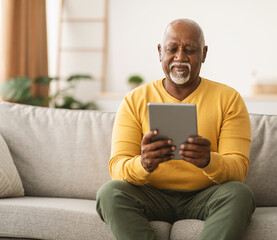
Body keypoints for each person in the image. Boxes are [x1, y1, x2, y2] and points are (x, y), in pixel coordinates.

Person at [96, 18, 255, 240]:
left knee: (240, 194)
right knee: (109, 193)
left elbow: (239, 168)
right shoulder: (134, 100)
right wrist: (143, 164)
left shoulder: (229, 99)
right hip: (151, 194)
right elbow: (117, 167)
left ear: (204, 54)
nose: (180, 57)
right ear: (160, 52)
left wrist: (210, 161)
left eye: (190, 49)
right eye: (172, 49)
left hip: (206, 195)